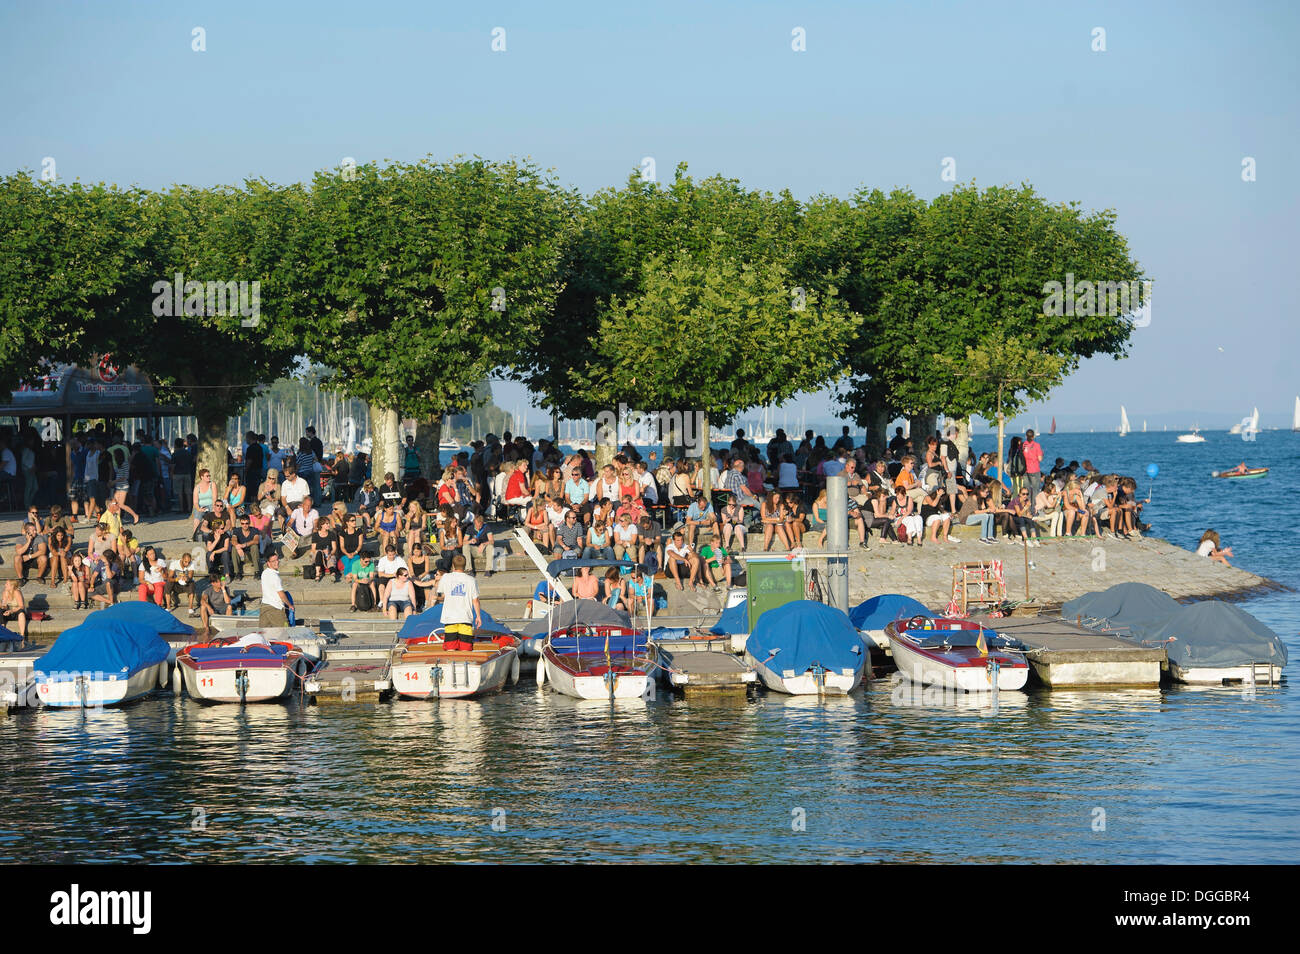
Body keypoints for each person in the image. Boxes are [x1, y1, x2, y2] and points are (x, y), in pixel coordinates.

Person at [436, 554, 482, 651]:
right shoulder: (471, 580)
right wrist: (478, 616)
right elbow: (475, 601)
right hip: (465, 618)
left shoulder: (446, 577)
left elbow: (440, 594)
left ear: (453, 565)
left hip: (450, 618)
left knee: (450, 649)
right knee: (466, 649)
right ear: (465, 565)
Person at [259, 552, 292, 627]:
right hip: (276, 608)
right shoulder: (275, 576)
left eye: (277, 560)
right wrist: (289, 605)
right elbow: (281, 594)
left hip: (264, 607)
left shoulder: (264, 573)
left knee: (264, 634)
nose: (276, 562)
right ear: (268, 563)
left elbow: (263, 588)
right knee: (285, 633)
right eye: (273, 561)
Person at [165, 551, 197, 616]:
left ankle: (190, 608)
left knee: (192, 583)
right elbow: (169, 577)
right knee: (168, 583)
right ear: (182, 559)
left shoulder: (191, 564)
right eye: (185, 561)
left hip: (186, 584)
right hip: (177, 584)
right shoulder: (174, 564)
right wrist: (176, 579)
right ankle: (168, 607)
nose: (187, 564)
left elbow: (190, 576)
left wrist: (187, 578)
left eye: (189, 562)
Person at [1, 579, 28, 644]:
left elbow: (21, 606)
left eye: (7, 584)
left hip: (17, 611)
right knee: (0, 611)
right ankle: (3, 631)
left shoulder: (17, 592)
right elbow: (4, 606)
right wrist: (2, 606)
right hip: (9, 612)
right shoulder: (5, 592)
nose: (5, 585)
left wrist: (11, 611)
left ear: (12, 586)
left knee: (21, 612)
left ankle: (22, 635)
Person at [1022, 429, 1044, 498]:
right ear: (1033, 436)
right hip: (1034, 470)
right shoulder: (1036, 445)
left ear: (1026, 436)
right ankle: (1034, 507)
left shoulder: (1023, 445)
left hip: (1025, 470)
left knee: (1026, 491)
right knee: (1035, 490)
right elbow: (1040, 459)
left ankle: (1026, 506)